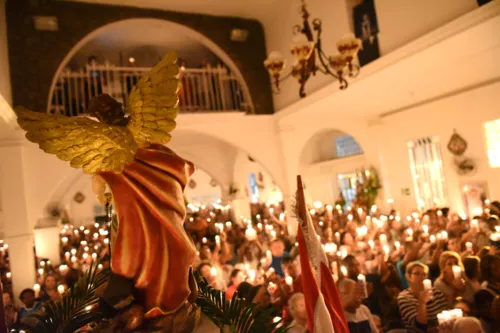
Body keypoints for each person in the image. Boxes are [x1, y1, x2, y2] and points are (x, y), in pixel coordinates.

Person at [397, 262, 448, 333]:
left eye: (424, 274)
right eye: (417, 274)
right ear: (408, 276)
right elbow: (419, 326)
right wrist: (422, 303)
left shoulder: (436, 292)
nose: (422, 277)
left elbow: (446, 313)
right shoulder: (404, 297)